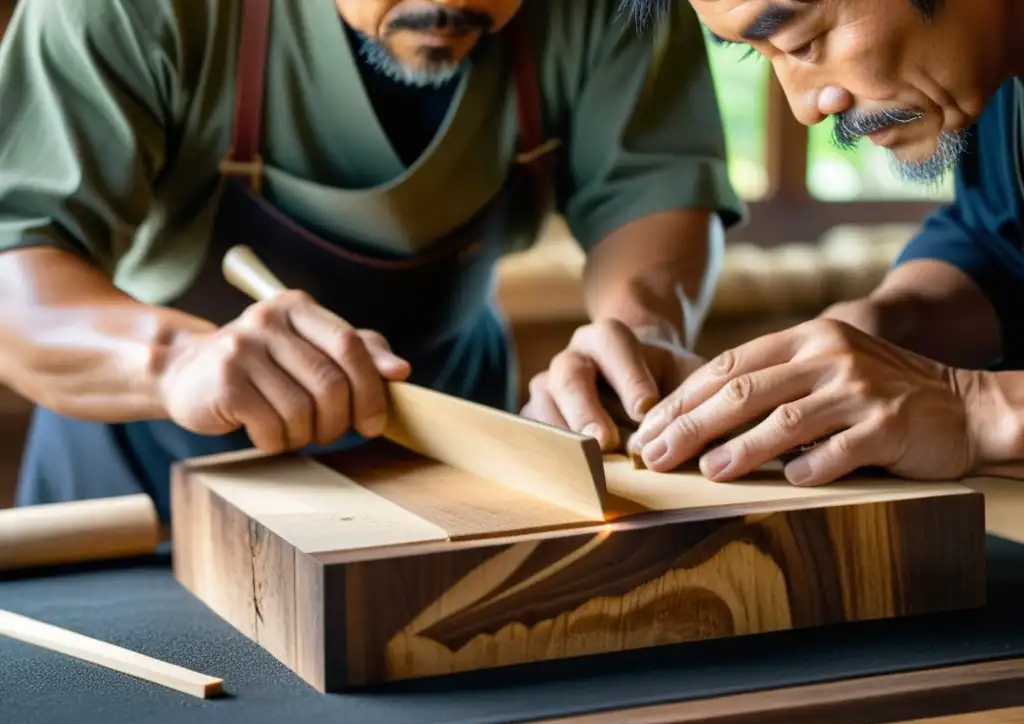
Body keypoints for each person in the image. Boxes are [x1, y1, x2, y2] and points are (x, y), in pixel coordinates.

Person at [0, 0, 743, 519]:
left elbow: (656, 191)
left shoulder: (615, 7)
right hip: (141, 462)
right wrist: (174, 361)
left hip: (452, 443)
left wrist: (638, 335)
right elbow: (15, 268)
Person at [621, 0, 1024, 487]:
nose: (805, 109)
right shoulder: (993, 72)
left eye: (802, 43)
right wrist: (890, 323)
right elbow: (1000, 247)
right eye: (760, 54)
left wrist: (975, 410)